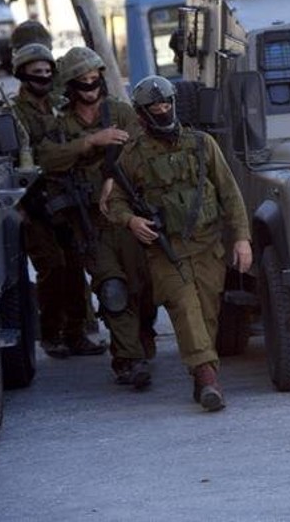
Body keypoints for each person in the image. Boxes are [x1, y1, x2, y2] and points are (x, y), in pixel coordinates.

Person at [107, 75, 252, 411]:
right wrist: (131, 221)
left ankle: (202, 372)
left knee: (207, 315)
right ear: (141, 114)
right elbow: (114, 201)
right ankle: (208, 380)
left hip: (208, 247)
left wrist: (242, 238)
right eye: (154, 106)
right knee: (186, 309)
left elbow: (229, 193)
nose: (162, 110)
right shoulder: (133, 155)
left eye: (165, 103)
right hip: (165, 251)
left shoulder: (202, 144)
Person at [36, 47, 154, 389]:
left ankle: (142, 338)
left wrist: (113, 179)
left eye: (94, 79)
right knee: (112, 288)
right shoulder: (60, 124)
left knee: (141, 288)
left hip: (128, 215)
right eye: (82, 82)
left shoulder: (120, 112)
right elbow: (47, 158)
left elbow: (141, 151)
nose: (90, 87)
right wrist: (90, 142)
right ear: (70, 86)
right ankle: (128, 360)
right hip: (89, 223)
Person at [8, 42, 102, 359]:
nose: (44, 77)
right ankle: (51, 334)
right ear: (22, 75)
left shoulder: (61, 106)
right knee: (52, 267)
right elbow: (12, 160)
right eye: (37, 72)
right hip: (33, 201)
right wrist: (20, 206)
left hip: (65, 198)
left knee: (74, 265)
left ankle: (76, 333)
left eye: (49, 71)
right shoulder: (14, 113)